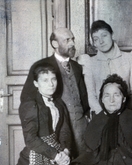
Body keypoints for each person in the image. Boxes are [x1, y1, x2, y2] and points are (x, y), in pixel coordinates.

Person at [1, 63, 79, 165]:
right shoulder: (30, 105)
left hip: (58, 150)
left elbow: (65, 131)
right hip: (38, 153)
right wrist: (56, 155)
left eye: (53, 79)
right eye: (45, 80)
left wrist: (65, 150)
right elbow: (31, 139)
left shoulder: (59, 103)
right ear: (36, 83)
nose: (51, 84)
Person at [21, 27, 89, 157]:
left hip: (81, 128)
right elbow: (27, 98)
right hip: (57, 130)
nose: (73, 43)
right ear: (55, 44)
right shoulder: (41, 66)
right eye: (67, 40)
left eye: (73, 39)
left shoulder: (77, 67)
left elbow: (83, 97)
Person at [78, 20, 132, 115]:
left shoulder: (130, 58)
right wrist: (104, 115)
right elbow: (91, 96)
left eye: (104, 35)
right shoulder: (90, 63)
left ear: (112, 35)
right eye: (96, 39)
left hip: (127, 113)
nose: (101, 41)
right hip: (101, 116)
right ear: (94, 43)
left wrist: (122, 111)